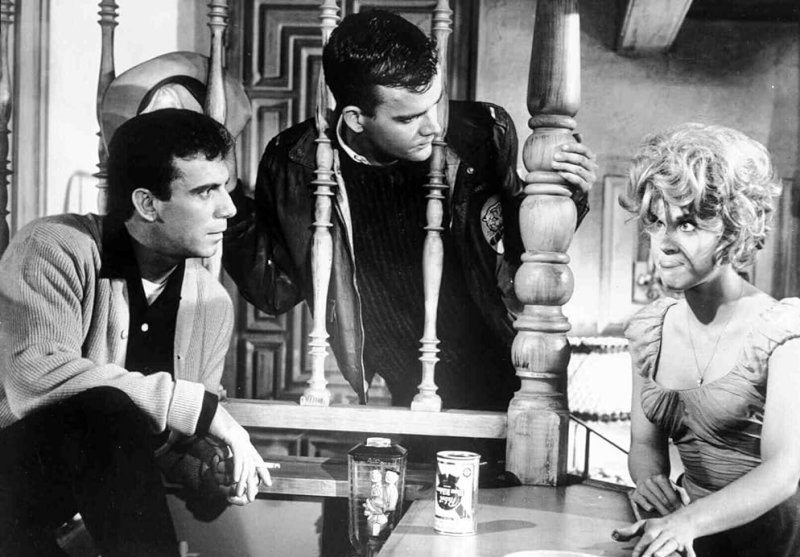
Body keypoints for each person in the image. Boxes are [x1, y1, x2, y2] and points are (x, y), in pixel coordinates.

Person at [223, 9, 598, 416]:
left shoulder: (482, 132)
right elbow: (273, 291)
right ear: (356, 119)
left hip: (509, 367)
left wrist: (568, 192)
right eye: (409, 117)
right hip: (411, 391)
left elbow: (520, 253)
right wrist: (227, 191)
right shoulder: (296, 161)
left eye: (435, 102)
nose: (433, 126)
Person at [0, 108, 271, 557]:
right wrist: (202, 410)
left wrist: (208, 468)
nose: (229, 208)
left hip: (57, 525)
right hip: (10, 492)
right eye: (205, 191)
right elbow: (36, 377)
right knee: (105, 407)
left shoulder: (211, 302)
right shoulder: (53, 247)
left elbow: (167, 440)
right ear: (147, 204)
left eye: (225, 186)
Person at [613, 123, 800, 557]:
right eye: (656, 223)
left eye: (687, 225)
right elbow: (644, 445)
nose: (664, 244)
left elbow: (784, 471)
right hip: (697, 541)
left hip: (776, 545)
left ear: (734, 230)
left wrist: (685, 522)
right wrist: (651, 482)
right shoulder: (649, 331)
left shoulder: (782, 331)